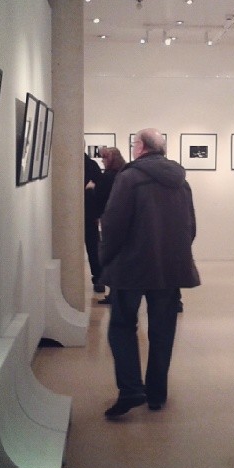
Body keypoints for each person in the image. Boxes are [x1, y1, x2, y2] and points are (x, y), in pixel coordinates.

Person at [99, 128, 201, 419]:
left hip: (130, 267)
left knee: (121, 326)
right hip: (167, 268)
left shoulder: (129, 178)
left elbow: (113, 224)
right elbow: (190, 226)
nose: (133, 148)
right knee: (163, 329)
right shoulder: (180, 181)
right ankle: (156, 393)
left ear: (141, 147)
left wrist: (106, 258)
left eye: (134, 143)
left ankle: (131, 389)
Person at [94, 147, 127, 304]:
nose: (102, 161)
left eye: (104, 158)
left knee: (112, 257)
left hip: (110, 221)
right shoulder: (125, 174)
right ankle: (117, 293)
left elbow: (100, 197)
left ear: (111, 159)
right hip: (124, 221)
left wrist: (92, 189)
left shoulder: (107, 177)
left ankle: (115, 294)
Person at [84, 151, 104, 293]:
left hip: (89, 212)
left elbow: (99, 189)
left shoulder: (90, 165)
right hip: (90, 212)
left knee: (93, 246)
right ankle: (98, 277)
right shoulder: (92, 165)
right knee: (93, 246)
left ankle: (98, 277)